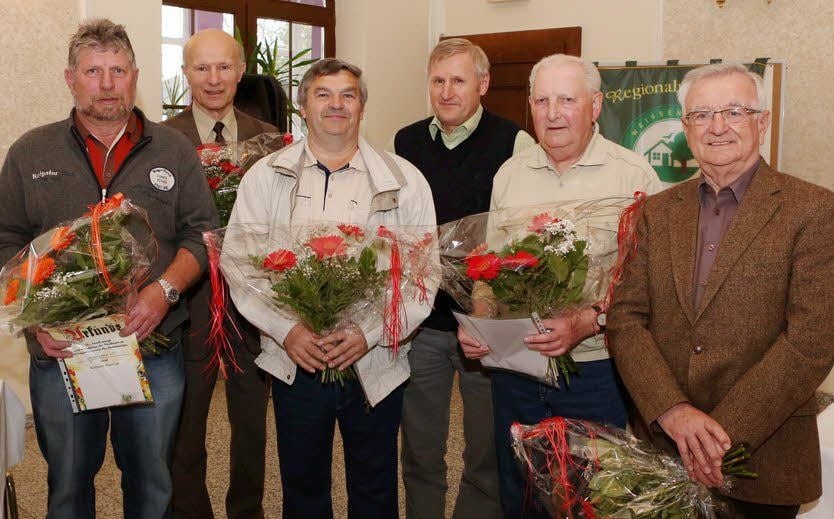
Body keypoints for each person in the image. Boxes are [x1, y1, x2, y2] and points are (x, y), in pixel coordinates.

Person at [0, 19, 216, 518]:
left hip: (153, 343)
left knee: (152, 481)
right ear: (70, 78)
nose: (106, 83)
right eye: (92, 71)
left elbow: (202, 234)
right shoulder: (30, 152)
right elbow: (6, 240)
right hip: (61, 350)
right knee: (68, 483)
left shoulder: (174, 150)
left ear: (135, 76)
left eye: (118, 70)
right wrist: (36, 321)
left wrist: (164, 291)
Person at [607, 63, 834, 519]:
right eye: (701, 115)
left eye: (733, 111)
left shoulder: (814, 209)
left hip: (762, 458)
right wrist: (673, 411)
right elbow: (625, 318)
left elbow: (811, 341)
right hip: (663, 447)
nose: (717, 127)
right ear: (685, 127)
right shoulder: (655, 212)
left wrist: (717, 436)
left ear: (762, 122)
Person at [226, 58, 437, 519]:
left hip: (374, 361)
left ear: (362, 106)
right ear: (303, 107)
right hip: (296, 359)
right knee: (302, 488)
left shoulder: (404, 181)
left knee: (375, 488)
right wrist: (287, 330)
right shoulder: (265, 177)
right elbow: (239, 264)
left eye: (348, 95)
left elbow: (422, 276)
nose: (336, 105)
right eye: (323, 94)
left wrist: (369, 333)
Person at [457, 53, 661, 518]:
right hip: (517, 367)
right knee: (521, 489)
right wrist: (482, 319)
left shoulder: (634, 176)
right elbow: (490, 267)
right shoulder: (510, 174)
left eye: (567, 100)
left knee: (593, 495)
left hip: (596, 371)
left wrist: (589, 321)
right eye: (542, 101)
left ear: (595, 106)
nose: (553, 113)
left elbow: (649, 283)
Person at [392, 38, 533, 519]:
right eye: (438, 80)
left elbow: (523, 234)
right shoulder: (403, 143)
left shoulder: (515, 143)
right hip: (422, 325)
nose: (447, 91)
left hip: (487, 324)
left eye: (458, 80)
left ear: (483, 84)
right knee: (419, 450)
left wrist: (489, 301)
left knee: (487, 453)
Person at [162, 28, 276, 519]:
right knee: (185, 432)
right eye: (202, 67)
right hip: (188, 307)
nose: (213, 78)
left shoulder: (268, 140)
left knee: (251, 427)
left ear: (241, 71)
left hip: (251, 307)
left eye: (224, 66)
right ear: (185, 73)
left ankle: (246, 511)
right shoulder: (161, 140)